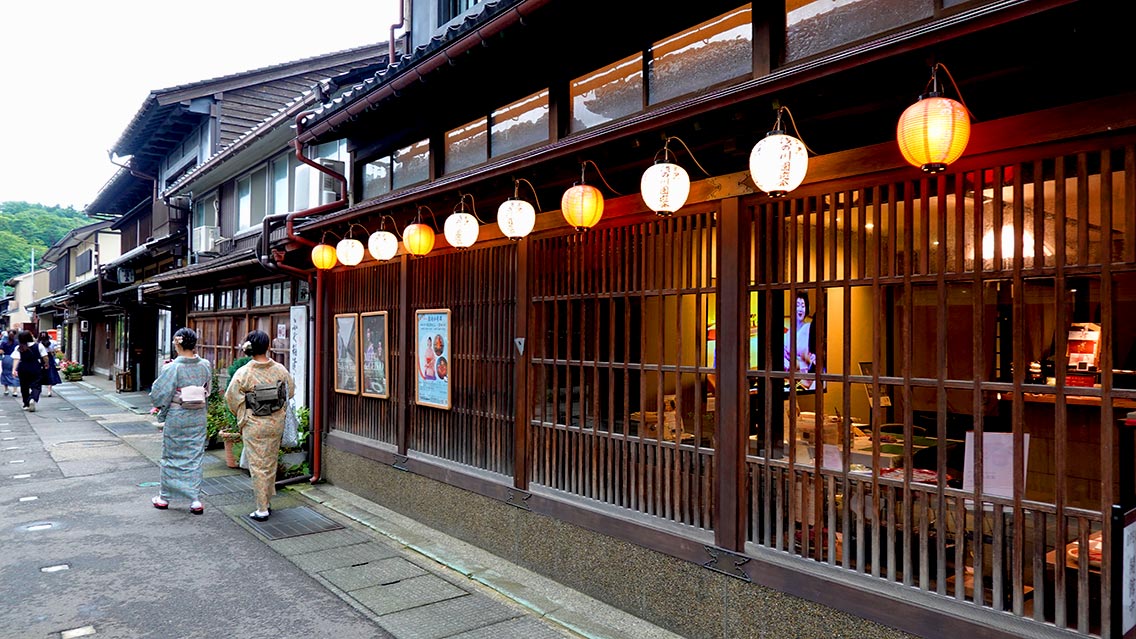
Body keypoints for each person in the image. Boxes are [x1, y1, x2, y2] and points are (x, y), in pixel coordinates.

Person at [225, 330, 295, 522]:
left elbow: (231, 398)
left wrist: (243, 411)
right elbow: (290, 391)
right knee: (270, 462)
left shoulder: (244, 372)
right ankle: (267, 500)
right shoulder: (279, 369)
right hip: (275, 423)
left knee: (257, 465)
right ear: (267, 347)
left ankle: (262, 507)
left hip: (254, 423)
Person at [148, 328, 212, 515]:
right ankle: (194, 499)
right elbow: (209, 389)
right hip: (198, 413)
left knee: (172, 455)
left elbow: (159, 394)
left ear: (177, 343)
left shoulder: (172, 367)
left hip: (177, 413)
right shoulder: (205, 365)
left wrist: (161, 408)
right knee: (194, 455)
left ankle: (165, 496)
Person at [784, 292, 817, 390]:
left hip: (807, 379)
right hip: (790, 379)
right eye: (797, 305)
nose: (800, 309)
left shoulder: (810, 328)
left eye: (803, 305)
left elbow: (812, 356)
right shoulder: (788, 334)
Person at [13, 331, 48, 411]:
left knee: (24, 386)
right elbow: (45, 356)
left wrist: (14, 369)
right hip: (35, 366)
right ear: (30, 337)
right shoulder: (38, 345)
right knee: (36, 385)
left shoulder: (18, 347)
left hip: (23, 367)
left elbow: (16, 358)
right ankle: (32, 398)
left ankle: (26, 403)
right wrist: (46, 364)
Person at [39, 333, 61, 397]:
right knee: (50, 373)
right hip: (49, 358)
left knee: (40, 373)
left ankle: (39, 389)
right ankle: (49, 391)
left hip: (40, 358)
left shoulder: (38, 343)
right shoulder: (52, 342)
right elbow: (56, 350)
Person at [0, 330, 18, 397]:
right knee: (15, 373)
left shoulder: (4, 342)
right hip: (15, 359)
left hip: (6, 358)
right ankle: (15, 391)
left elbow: (1, 351)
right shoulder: (17, 342)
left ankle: (6, 390)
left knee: (5, 373)